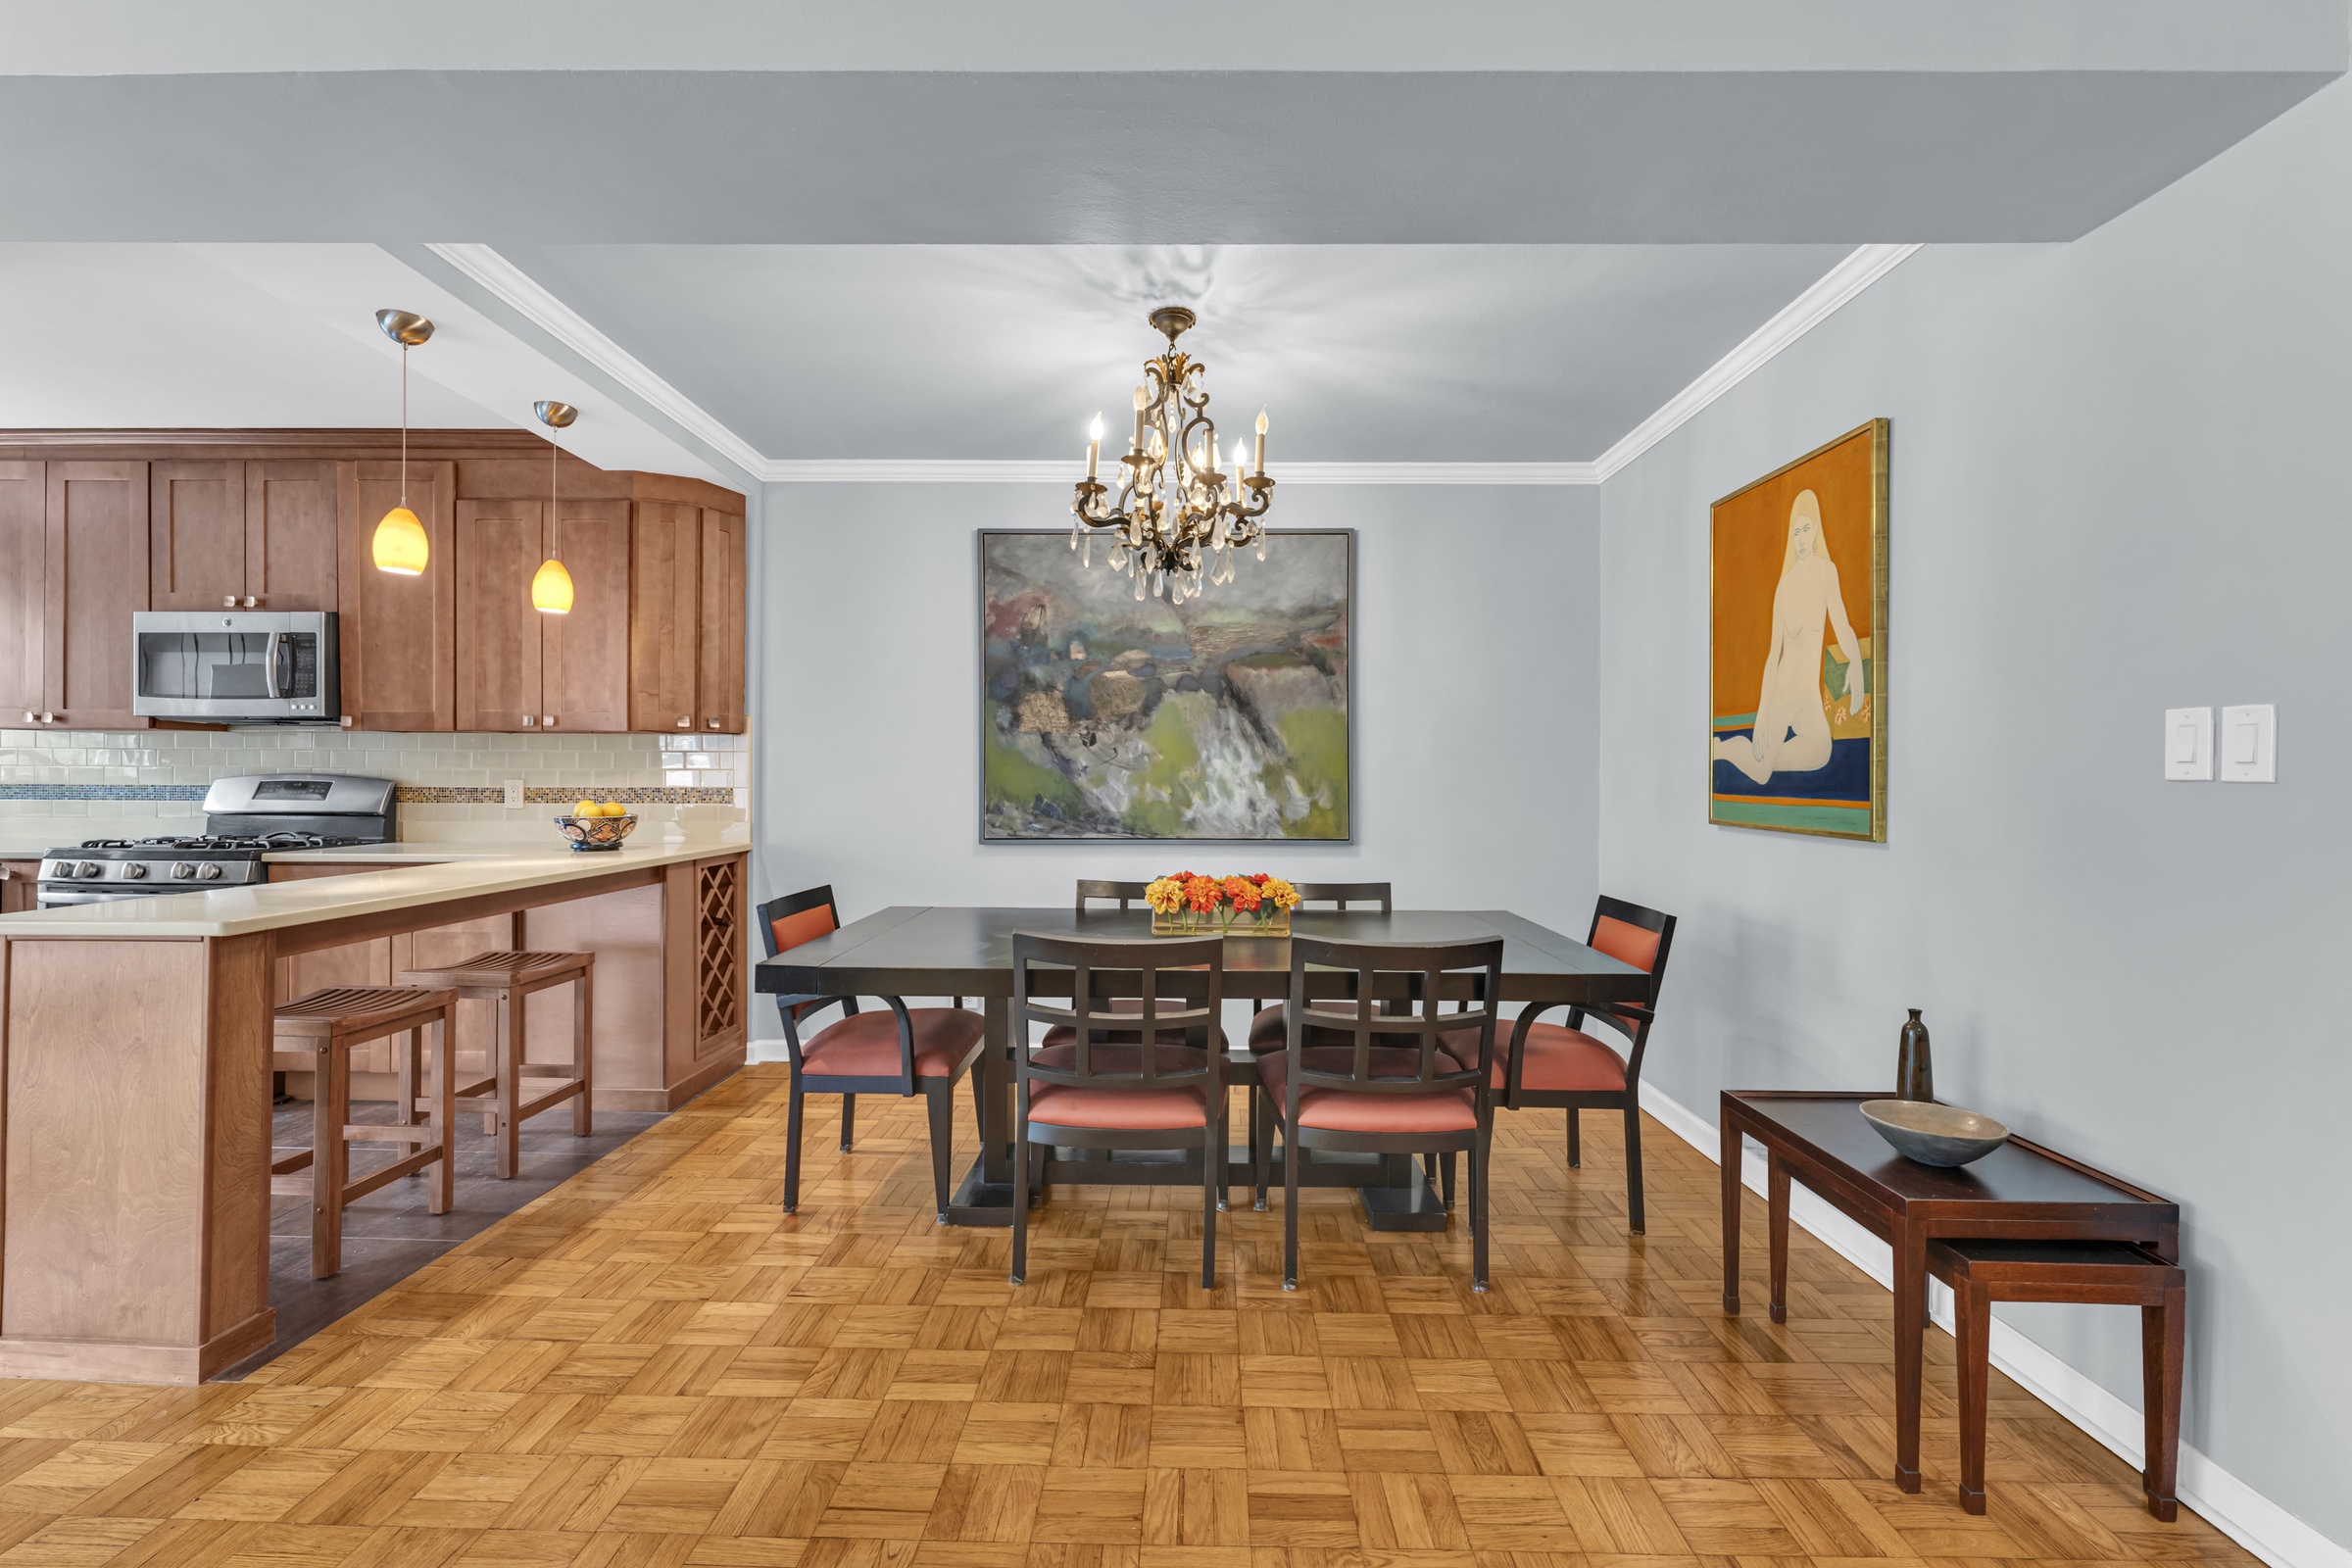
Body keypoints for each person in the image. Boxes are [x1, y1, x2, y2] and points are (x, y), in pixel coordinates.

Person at [1714, 488, 1868, 785]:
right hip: (1782, 696)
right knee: (1760, 775)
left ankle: (1759, 756)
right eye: (1795, 532)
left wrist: (1856, 662)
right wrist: (1762, 714)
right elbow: (1774, 656)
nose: (1800, 539)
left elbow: (1843, 625)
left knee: (1821, 751)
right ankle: (1726, 750)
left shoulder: (1827, 572)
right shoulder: (1784, 588)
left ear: (1816, 531)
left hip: (1808, 697)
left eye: (1806, 529)